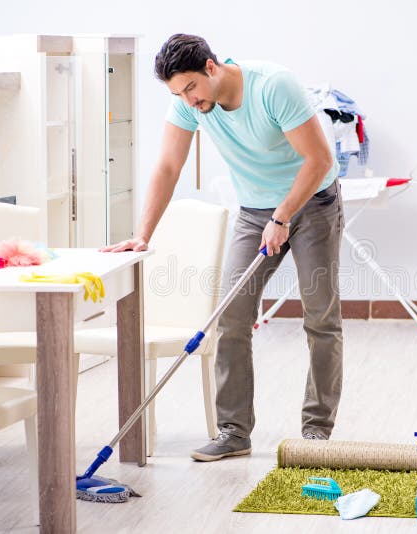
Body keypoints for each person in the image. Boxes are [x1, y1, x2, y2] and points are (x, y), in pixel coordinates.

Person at [103, 34, 344, 462]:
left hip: (313, 204)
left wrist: (283, 216)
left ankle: (316, 431)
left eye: (191, 88)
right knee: (231, 317)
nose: (188, 100)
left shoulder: (274, 86)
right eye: (178, 93)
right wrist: (144, 235)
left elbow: (320, 160)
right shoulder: (187, 102)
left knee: (320, 316)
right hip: (255, 211)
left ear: (211, 68)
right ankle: (233, 431)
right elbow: (168, 166)